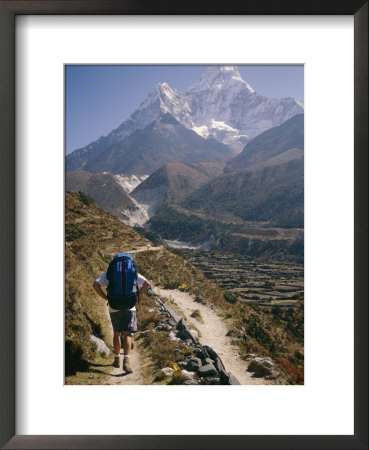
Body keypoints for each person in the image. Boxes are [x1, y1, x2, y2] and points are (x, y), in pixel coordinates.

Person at [92, 264, 150, 373]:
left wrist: (105, 297)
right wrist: (138, 295)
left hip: (114, 307)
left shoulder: (110, 273)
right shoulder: (132, 272)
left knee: (116, 334)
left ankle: (117, 358)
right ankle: (127, 362)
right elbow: (147, 283)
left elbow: (95, 284)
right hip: (129, 307)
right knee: (127, 334)